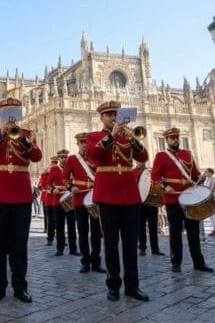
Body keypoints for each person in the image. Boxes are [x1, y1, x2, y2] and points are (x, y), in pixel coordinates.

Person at [0, 97, 42, 304]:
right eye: (6, 112)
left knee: (19, 244)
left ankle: (19, 286)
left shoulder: (28, 135)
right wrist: (0, 133)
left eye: (14, 111)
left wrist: (22, 139)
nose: (11, 115)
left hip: (21, 195)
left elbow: (36, 157)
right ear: (0, 115)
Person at [87, 100, 150, 302]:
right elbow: (93, 156)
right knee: (111, 243)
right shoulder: (94, 137)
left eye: (116, 114)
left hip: (130, 194)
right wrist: (112, 135)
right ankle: (113, 284)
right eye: (109, 115)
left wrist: (131, 139)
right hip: (107, 194)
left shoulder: (127, 137)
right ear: (102, 118)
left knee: (131, 243)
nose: (113, 117)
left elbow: (144, 156)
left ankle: (133, 286)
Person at [151, 127, 213, 275]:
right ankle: (176, 262)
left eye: (177, 137)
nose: (175, 140)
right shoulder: (161, 156)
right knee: (175, 232)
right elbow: (155, 176)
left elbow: (196, 175)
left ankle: (199, 262)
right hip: (172, 199)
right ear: (166, 140)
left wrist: (203, 176)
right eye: (172, 138)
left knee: (194, 232)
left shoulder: (188, 154)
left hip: (189, 198)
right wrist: (165, 186)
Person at [63, 132, 105, 273]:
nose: (84, 145)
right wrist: (71, 187)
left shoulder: (95, 157)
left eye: (85, 142)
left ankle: (96, 261)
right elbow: (65, 178)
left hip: (94, 198)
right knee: (82, 231)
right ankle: (85, 262)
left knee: (96, 232)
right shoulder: (72, 159)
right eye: (81, 142)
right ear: (77, 144)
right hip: (79, 200)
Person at [135, 161, 164, 257]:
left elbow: (157, 185)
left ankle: (155, 249)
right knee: (140, 228)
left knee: (153, 227)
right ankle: (142, 248)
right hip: (139, 205)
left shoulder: (151, 172)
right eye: (140, 161)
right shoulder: (132, 173)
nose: (142, 163)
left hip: (152, 205)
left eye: (143, 161)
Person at [54, 150, 78, 256]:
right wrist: (52, 190)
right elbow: (48, 184)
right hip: (59, 201)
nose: (64, 159)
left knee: (72, 225)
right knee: (59, 226)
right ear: (58, 158)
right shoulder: (54, 169)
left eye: (65, 157)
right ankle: (60, 248)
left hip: (70, 199)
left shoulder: (71, 168)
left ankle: (73, 248)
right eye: (62, 158)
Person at [202, 168, 215, 237]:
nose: (205, 173)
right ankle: (214, 229)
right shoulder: (206, 180)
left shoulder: (214, 179)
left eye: (207, 172)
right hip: (207, 198)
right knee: (211, 215)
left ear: (210, 173)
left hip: (213, 198)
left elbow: (212, 188)